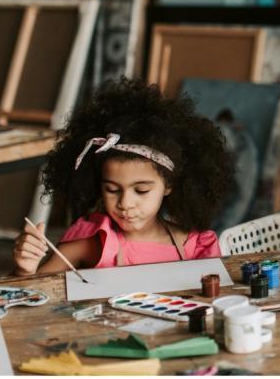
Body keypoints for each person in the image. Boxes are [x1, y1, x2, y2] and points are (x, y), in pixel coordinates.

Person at [12, 78, 234, 274]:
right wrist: (25, 270)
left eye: (141, 190)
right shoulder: (93, 240)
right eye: (112, 189)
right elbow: (34, 295)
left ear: (169, 185)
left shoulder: (195, 245)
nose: (125, 203)